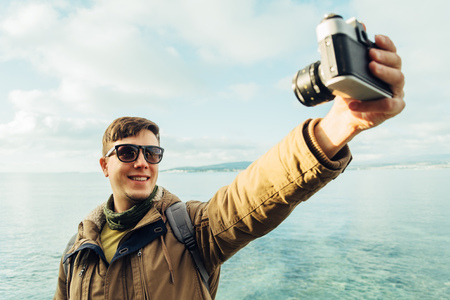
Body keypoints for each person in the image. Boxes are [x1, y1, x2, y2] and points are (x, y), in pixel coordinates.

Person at [54, 34, 405, 299]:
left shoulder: (190, 228)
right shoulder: (77, 250)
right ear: (105, 165)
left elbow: (253, 194)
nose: (143, 163)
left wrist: (339, 126)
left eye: (152, 153)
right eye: (128, 153)